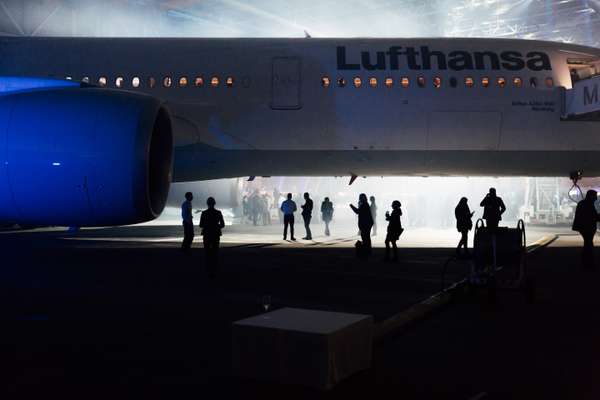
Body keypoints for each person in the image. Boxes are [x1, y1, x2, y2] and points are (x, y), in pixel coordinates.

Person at [572, 190, 600, 269]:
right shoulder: (588, 204)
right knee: (588, 244)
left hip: (583, 227)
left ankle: (586, 262)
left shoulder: (583, 203)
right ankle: (588, 262)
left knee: (587, 243)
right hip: (587, 227)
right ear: (591, 196)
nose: (596, 198)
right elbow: (593, 216)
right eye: (595, 196)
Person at [199, 197, 225, 279]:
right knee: (215, 251)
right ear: (214, 203)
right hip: (215, 233)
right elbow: (222, 224)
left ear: (207, 203)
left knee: (207, 251)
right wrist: (217, 226)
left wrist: (207, 226)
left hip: (206, 233)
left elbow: (201, 225)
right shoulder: (218, 212)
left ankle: (208, 268)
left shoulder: (204, 213)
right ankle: (215, 268)